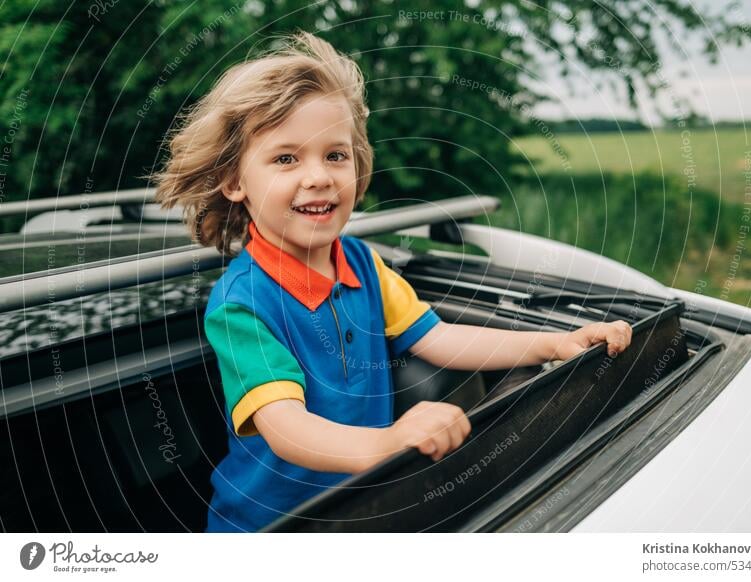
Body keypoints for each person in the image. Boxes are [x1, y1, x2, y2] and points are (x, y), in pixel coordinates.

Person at [154, 31, 633, 532]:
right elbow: (285, 428)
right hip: (270, 530)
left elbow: (438, 336)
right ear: (234, 182)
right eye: (286, 158)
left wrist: (556, 343)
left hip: (364, 511)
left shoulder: (362, 261)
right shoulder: (241, 304)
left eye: (335, 155)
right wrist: (387, 443)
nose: (318, 176)